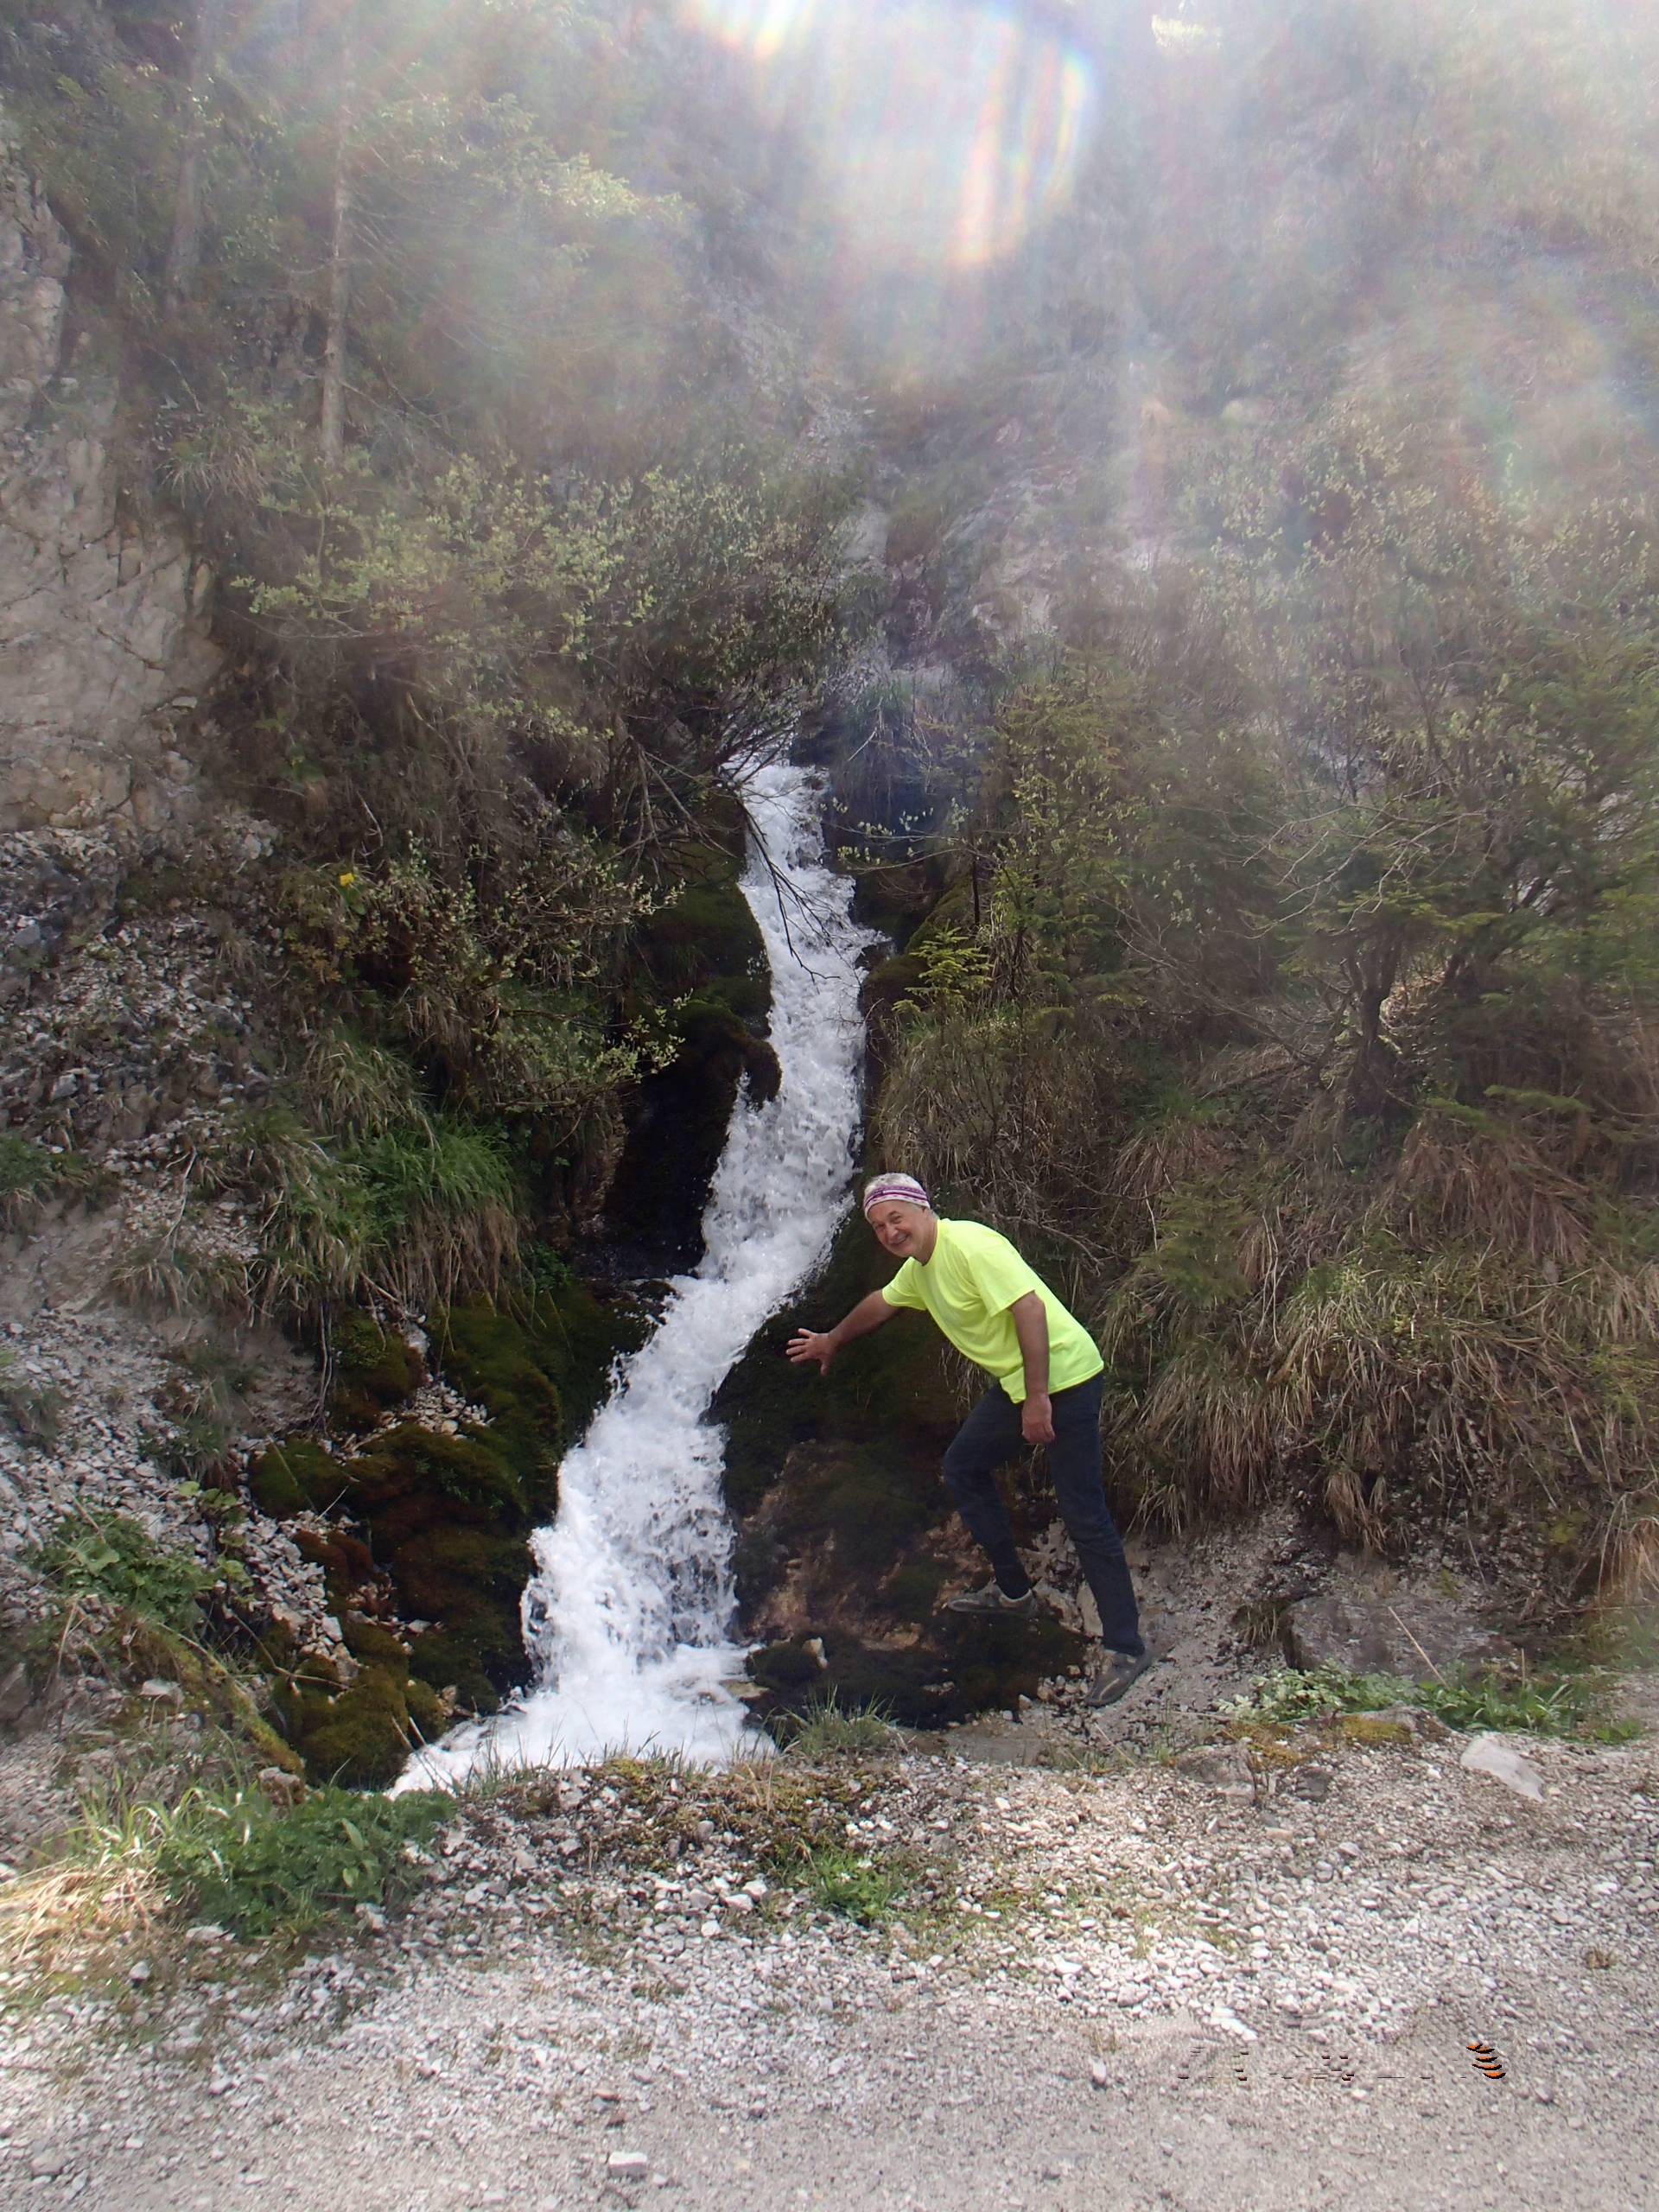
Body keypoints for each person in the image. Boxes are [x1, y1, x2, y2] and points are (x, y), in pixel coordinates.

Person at [786, 1172, 1152, 1708]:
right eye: (879, 1226)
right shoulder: (919, 1271)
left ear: (923, 1210)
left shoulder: (971, 1244)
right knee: (963, 1466)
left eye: (896, 1218)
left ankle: (1127, 1647)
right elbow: (881, 1303)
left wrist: (1037, 1398)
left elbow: (1028, 1308)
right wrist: (833, 1339)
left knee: (1083, 1511)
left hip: (1064, 1377)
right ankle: (1014, 1593)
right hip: (1020, 1383)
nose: (890, 1231)